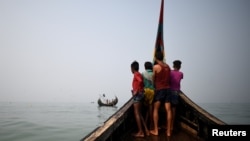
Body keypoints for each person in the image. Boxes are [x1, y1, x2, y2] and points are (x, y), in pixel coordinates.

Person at [149, 52, 172, 137]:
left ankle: (156, 130)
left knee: (155, 109)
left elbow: (153, 78)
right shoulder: (168, 66)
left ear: (156, 58)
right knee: (168, 110)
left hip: (159, 90)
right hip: (168, 89)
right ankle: (169, 132)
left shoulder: (155, 67)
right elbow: (169, 77)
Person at [130, 61, 149, 137]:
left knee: (137, 113)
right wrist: (139, 89)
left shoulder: (136, 74)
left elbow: (140, 81)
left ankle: (141, 132)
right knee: (140, 113)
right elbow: (143, 83)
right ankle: (146, 130)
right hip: (141, 94)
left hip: (138, 95)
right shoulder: (140, 74)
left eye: (131, 68)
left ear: (132, 68)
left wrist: (136, 91)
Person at [170, 60, 183, 133]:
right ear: (180, 66)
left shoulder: (170, 72)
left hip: (169, 91)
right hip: (176, 92)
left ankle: (168, 125)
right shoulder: (181, 74)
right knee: (173, 110)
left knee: (168, 109)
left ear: (173, 66)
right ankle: (171, 126)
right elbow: (180, 79)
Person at [142, 61, 154, 130]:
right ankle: (151, 125)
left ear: (145, 67)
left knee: (145, 108)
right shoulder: (153, 74)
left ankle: (145, 124)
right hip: (152, 91)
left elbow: (142, 83)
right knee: (150, 109)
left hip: (145, 91)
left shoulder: (143, 73)